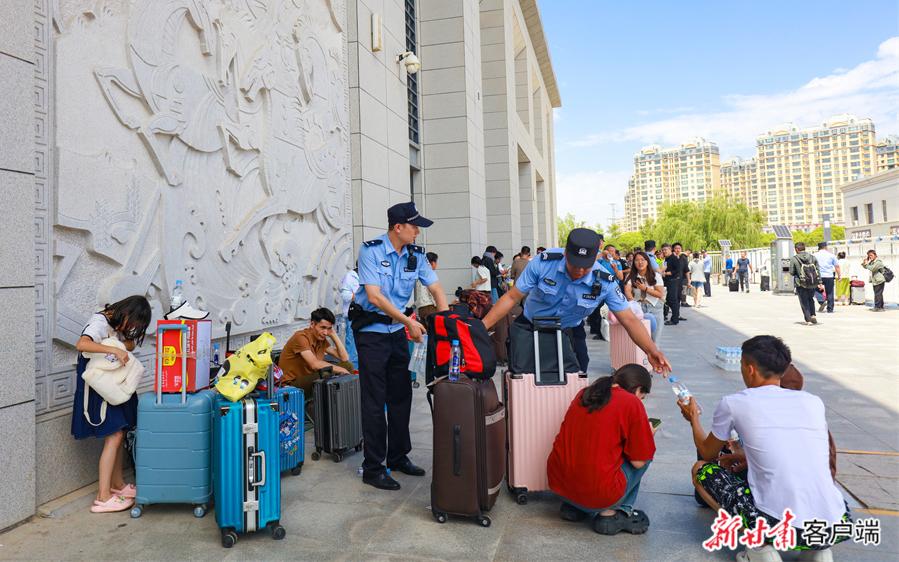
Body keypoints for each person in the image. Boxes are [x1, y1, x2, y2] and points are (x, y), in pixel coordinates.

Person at [680, 335, 849, 562]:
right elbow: (796, 449)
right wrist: (747, 457)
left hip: (777, 523)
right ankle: (817, 551)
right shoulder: (812, 401)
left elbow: (708, 452)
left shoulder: (735, 402)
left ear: (750, 369)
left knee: (701, 470)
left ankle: (759, 548)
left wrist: (693, 419)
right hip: (836, 521)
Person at [480, 228, 671, 376]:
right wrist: (480, 330)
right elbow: (512, 297)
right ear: (566, 254)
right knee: (523, 380)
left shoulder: (605, 281)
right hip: (530, 326)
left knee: (577, 377)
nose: (579, 271)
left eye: (585, 267)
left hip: (568, 331)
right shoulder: (544, 262)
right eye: (575, 265)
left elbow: (629, 319)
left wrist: (651, 350)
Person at [352, 202, 448, 491]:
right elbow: (375, 296)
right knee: (374, 399)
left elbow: (436, 288)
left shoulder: (415, 256)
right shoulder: (370, 251)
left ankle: (398, 455)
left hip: (396, 332)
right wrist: (409, 322)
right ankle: (373, 467)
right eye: (414, 226)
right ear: (398, 227)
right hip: (371, 332)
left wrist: (445, 321)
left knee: (401, 395)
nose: (418, 231)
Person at [547, 364, 657, 535]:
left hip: (561, 485)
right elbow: (638, 461)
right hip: (599, 493)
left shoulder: (586, 393)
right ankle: (612, 514)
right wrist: (647, 435)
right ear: (638, 390)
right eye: (642, 397)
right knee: (645, 452)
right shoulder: (631, 402)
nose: (641, 401)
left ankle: (575, 507)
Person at [72, 295, 152, 513]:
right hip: (99, 388)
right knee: (114, 435)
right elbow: (82, 344)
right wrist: (114, 349)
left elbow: (130, 345)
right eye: (134, 323)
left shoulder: (115, 323)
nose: (134, 328)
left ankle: (117, 485)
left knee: (120, 432)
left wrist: (120, 342)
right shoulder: (99, 322)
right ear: (126, 313)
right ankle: (103, 496)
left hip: (112, 386)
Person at [279, 307, 355, 395]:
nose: (325, 332)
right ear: (312, 324)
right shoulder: (300, 337)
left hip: (310, 377)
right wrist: (340, 369)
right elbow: (315, 364)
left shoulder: (320, 339)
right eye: (323, 327)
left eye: (328, 328)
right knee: (328, 374)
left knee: (347, 366)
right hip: (292, 384)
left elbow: (344, 358)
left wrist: (333, 334)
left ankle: (341, 401)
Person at [624, 252, 665, 341]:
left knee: (654, 341)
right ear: (633, 263)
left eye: (643, 260)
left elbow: (660, 294)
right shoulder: (631, 276)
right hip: (639, 309)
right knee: (641, 341)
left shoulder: (655, 275)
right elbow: (627, 290)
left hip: (654, 308)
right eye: (637, 260)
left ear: (647, 262)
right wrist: (632, 302)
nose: (640, 262)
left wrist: (645, 289)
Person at [789, 242, 823, 325]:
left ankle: (808, 319)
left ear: (796, 249)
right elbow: (818, 270)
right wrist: (820, 282)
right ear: (805, 248)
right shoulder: (812, 257)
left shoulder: (794, 259)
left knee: (804, 301)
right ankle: (813, 315)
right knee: (811, 299)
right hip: (812, 282)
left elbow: (792, 272)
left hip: (800, 283)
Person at [339, 266, 360, 370]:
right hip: (352, 316)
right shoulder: (350, 276)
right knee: (352, 345)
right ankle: (353, 370)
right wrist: (360, 295)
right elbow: (344, 295)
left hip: (364, 316)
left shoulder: (366, 275)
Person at [662, 243, 687, 325]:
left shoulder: (674, 258)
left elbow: (678, 270)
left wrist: (667, 273)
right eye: (663, 250)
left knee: (672, 300)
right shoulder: (666, 259)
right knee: (669, 300)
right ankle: (675, 317)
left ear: (670, 249)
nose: (664, 251)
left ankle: (675, 319)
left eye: (665, 249)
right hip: (668, 281)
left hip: (673, 281)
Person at [813, 242, 840, 313]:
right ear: (825, 247)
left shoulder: (814, 255)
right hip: (829, 276)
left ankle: (821, 301)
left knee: (816, 288)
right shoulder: (831, 255)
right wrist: (839, 276)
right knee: (830, 292)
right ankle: (830, 309)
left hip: (818, 276)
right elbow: (837, 266)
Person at [414, 252, 439, 322]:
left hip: (420, 308)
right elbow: (433, 292)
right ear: (433, 263)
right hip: (430, 307)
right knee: (433, 330)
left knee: (426, 331)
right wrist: (438, 306)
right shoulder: (430, 274)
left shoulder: (419, 274)